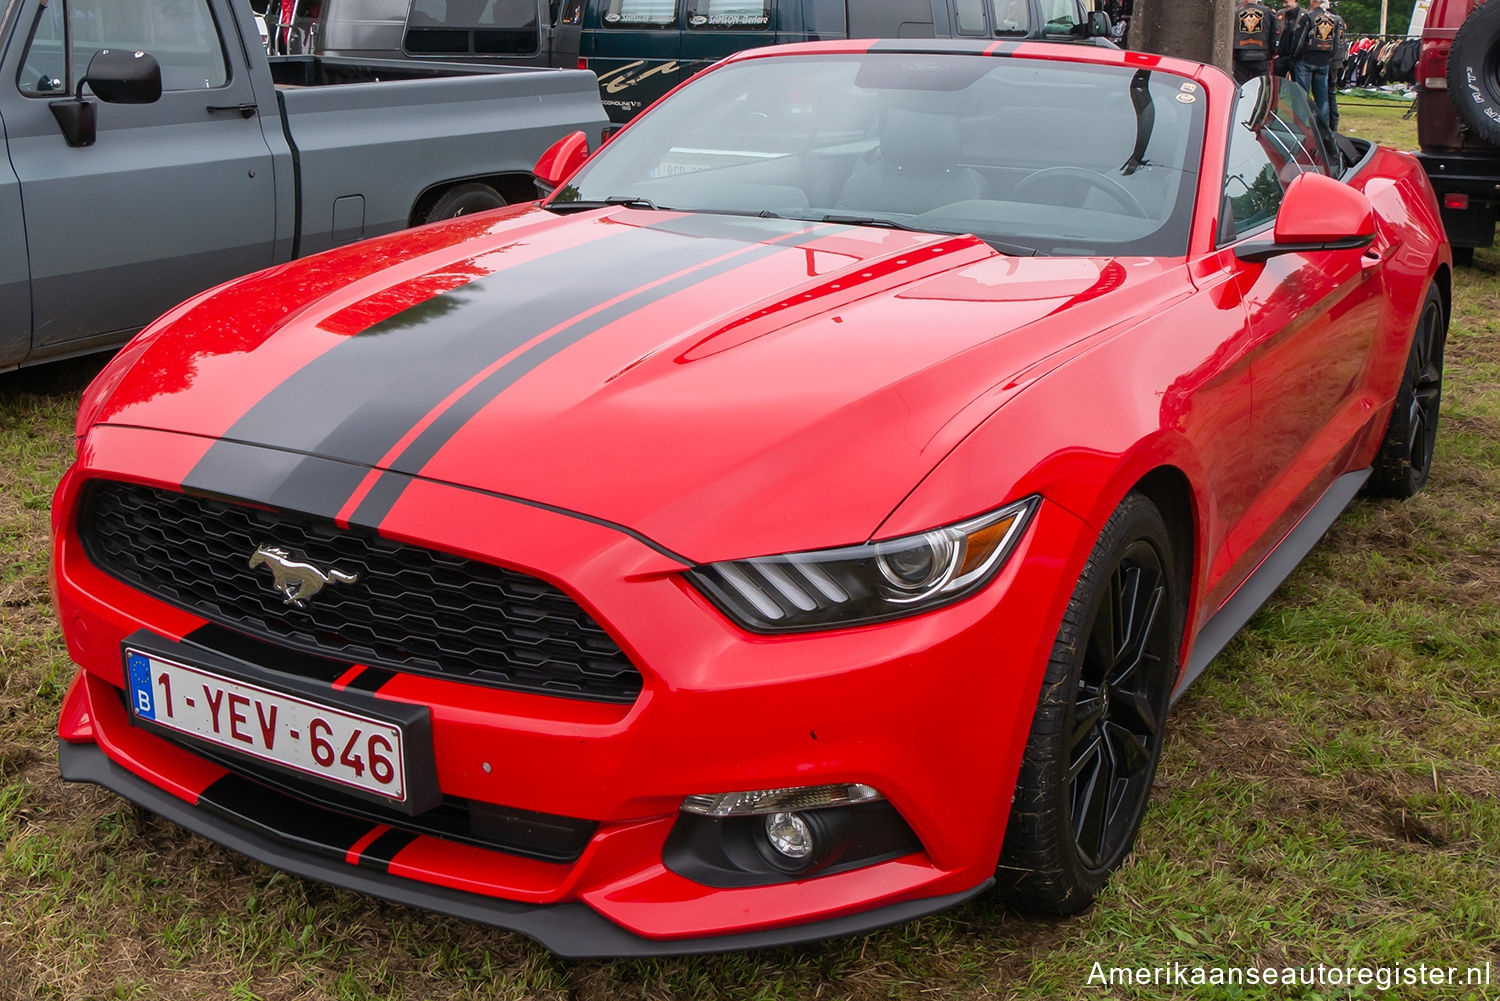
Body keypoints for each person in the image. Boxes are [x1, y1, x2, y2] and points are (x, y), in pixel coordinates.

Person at [1292, 0, 1341, 124]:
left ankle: (1302, 125)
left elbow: (1299, 41)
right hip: (1324, 62)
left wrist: (1295, 56)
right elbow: (1336, 44)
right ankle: (1323, 127)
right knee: (1322, 98)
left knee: (1302, 96)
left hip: (1306, 60)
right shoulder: (1334, 19)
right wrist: (1328, 58)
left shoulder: (1308, 17)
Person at [1232, 0, 1278, 84]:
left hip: (1241, 55)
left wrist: (1234, 54)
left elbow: (1232, 34)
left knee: (1241, 85)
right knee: (1261, 85)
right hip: (1262, 55)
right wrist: (1273, 52)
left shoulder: (1236, 13)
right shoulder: (1268, 12)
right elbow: (1274, 34)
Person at [1273, 0, 1303, 78]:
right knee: (1278, 85)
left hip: (1297, 58)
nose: (1284, 5)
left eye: (1286, 2)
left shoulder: (1305, 15)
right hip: (1280, 57)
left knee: (1298, 86)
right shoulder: (1279, 14)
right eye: (1282, 2)